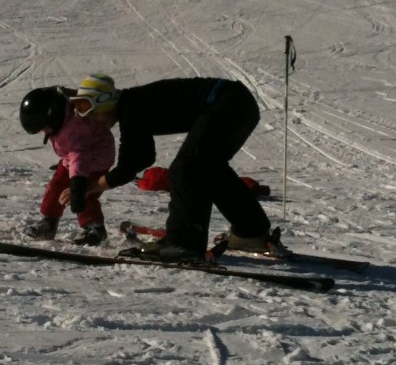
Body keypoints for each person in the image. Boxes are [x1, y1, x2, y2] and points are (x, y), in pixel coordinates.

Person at [62, 75, 278, 262]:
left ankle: (182, 244)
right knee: (208, 166)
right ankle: (251, 232)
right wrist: (97, 185)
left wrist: (95, 186)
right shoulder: (132, 106)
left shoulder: (132, 109)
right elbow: (142, 158)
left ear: (104, 102)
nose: (91, 121)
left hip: (229, 103)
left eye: (90, 112)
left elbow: (131, 164)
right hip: (238, 103)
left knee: (186, 168)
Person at [19, 82, 116, 245]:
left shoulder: (76, 128)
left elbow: (80, 156)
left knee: (84, 192)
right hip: (72, 158)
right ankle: (48, 222)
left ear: (53, 117)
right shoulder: (61, 118)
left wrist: (77, 182)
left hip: (96, 159)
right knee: (56, 185)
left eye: (46, 128)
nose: (45, 132)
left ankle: (95, 229)